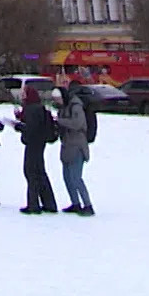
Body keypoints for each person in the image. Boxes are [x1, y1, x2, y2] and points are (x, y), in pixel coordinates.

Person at [12, 84, 58, 214]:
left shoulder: (31, 109)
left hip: (32, 144)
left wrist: (18, 127)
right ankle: (49, 203)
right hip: (40, 143)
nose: (21, 97)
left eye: (23, 94)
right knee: (40, 172)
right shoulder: (39, 107)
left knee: (30, 172)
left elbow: (30, 128)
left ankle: (33, 204)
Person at [56, 83, 96, 216]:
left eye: (58, 100)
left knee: (76, 177)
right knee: (67, 177)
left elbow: (78, 123)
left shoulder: (76, 106)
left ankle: (88, 205)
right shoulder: (63, 107)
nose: (57, 103)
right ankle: (75, 203)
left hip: (77, 146)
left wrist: (60, 121)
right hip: (67, 145)